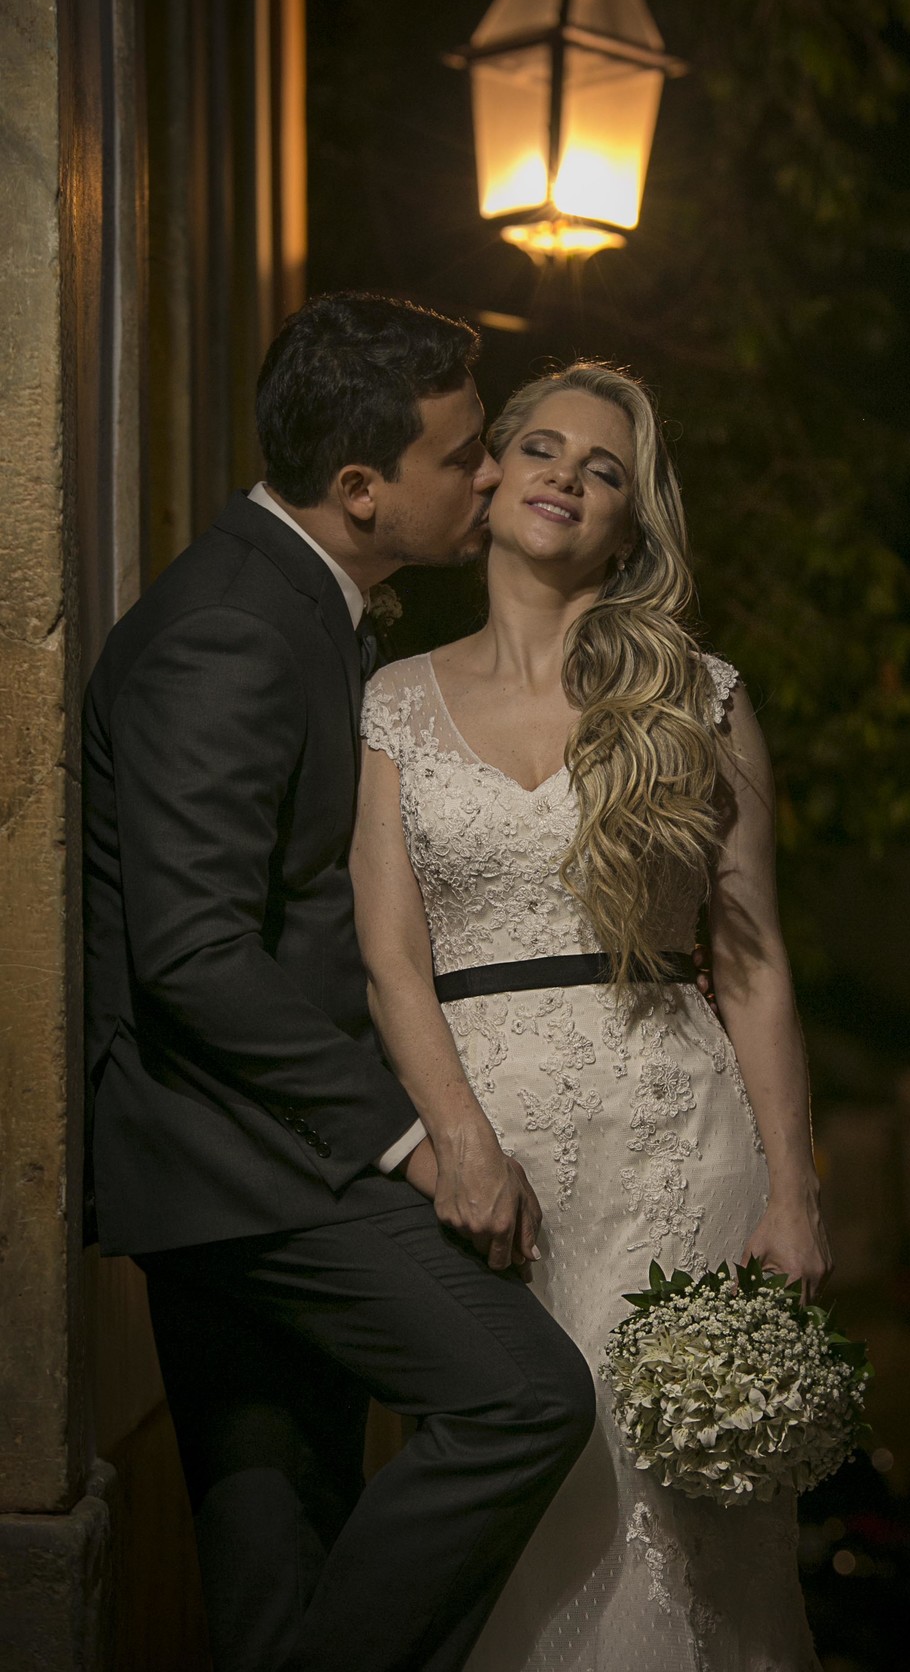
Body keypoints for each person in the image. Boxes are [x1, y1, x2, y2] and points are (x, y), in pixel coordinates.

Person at [82, 293, 595, 1672]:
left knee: (279, 1570)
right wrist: (416, 1141)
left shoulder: (305, 603)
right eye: (463, 454)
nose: (493, 475)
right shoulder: (235, 631)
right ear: (360, 489)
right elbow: (191, 956)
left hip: (239, 1161)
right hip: (241, 1162)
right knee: (525, 1398)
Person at [353, 360, 832, 1671]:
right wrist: (453, 1138)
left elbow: (754, 963)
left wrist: (794, 1195)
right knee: (510, 1514)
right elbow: (392, 961)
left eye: (605, 467)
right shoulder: (386, 700)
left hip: (675, 1146)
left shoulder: (700, 692)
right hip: (480, 1160)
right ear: (490, 475)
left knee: (680, 1522)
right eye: (544, 447)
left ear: (631, 522)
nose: (569, 474)